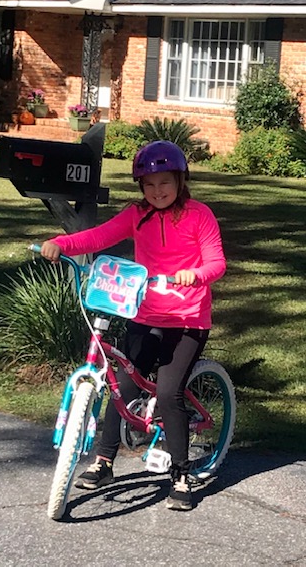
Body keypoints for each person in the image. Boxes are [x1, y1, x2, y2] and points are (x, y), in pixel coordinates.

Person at [41, 140, 226, 511]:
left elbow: (216, 262)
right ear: (140, 186)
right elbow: (99, 236)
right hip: (145, 313)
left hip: (187, 319)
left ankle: (181, 474)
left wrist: (195, 275)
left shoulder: (198, 215)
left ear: (180, 181)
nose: (158, 191)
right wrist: (62, 244)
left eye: (165, 183)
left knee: (171, 393)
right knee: (122, 386)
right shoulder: (136, 215)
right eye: (150, 184)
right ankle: (104, 461)